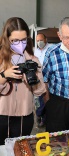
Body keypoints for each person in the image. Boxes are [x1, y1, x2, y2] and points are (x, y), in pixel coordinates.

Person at [0, 17, 46, 145]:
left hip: (24, 116)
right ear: (7, 39)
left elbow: (40, 91)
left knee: (21, 150)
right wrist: (4, 76)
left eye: (23, 40)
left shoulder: (33, 60)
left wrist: (31, 78)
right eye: (15, 40)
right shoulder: (1, 59)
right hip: (2, 114)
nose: (20, 44)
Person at [34, 33, 52, 127]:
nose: (39, 42)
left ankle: (39, 114)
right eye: (37, 41)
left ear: (45, 39)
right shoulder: (35, 51)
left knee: (47, 99)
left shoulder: (51, 49)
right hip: (39, 79)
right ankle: (43, 118)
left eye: (41, 40)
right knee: (42, 99)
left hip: (50, 78)